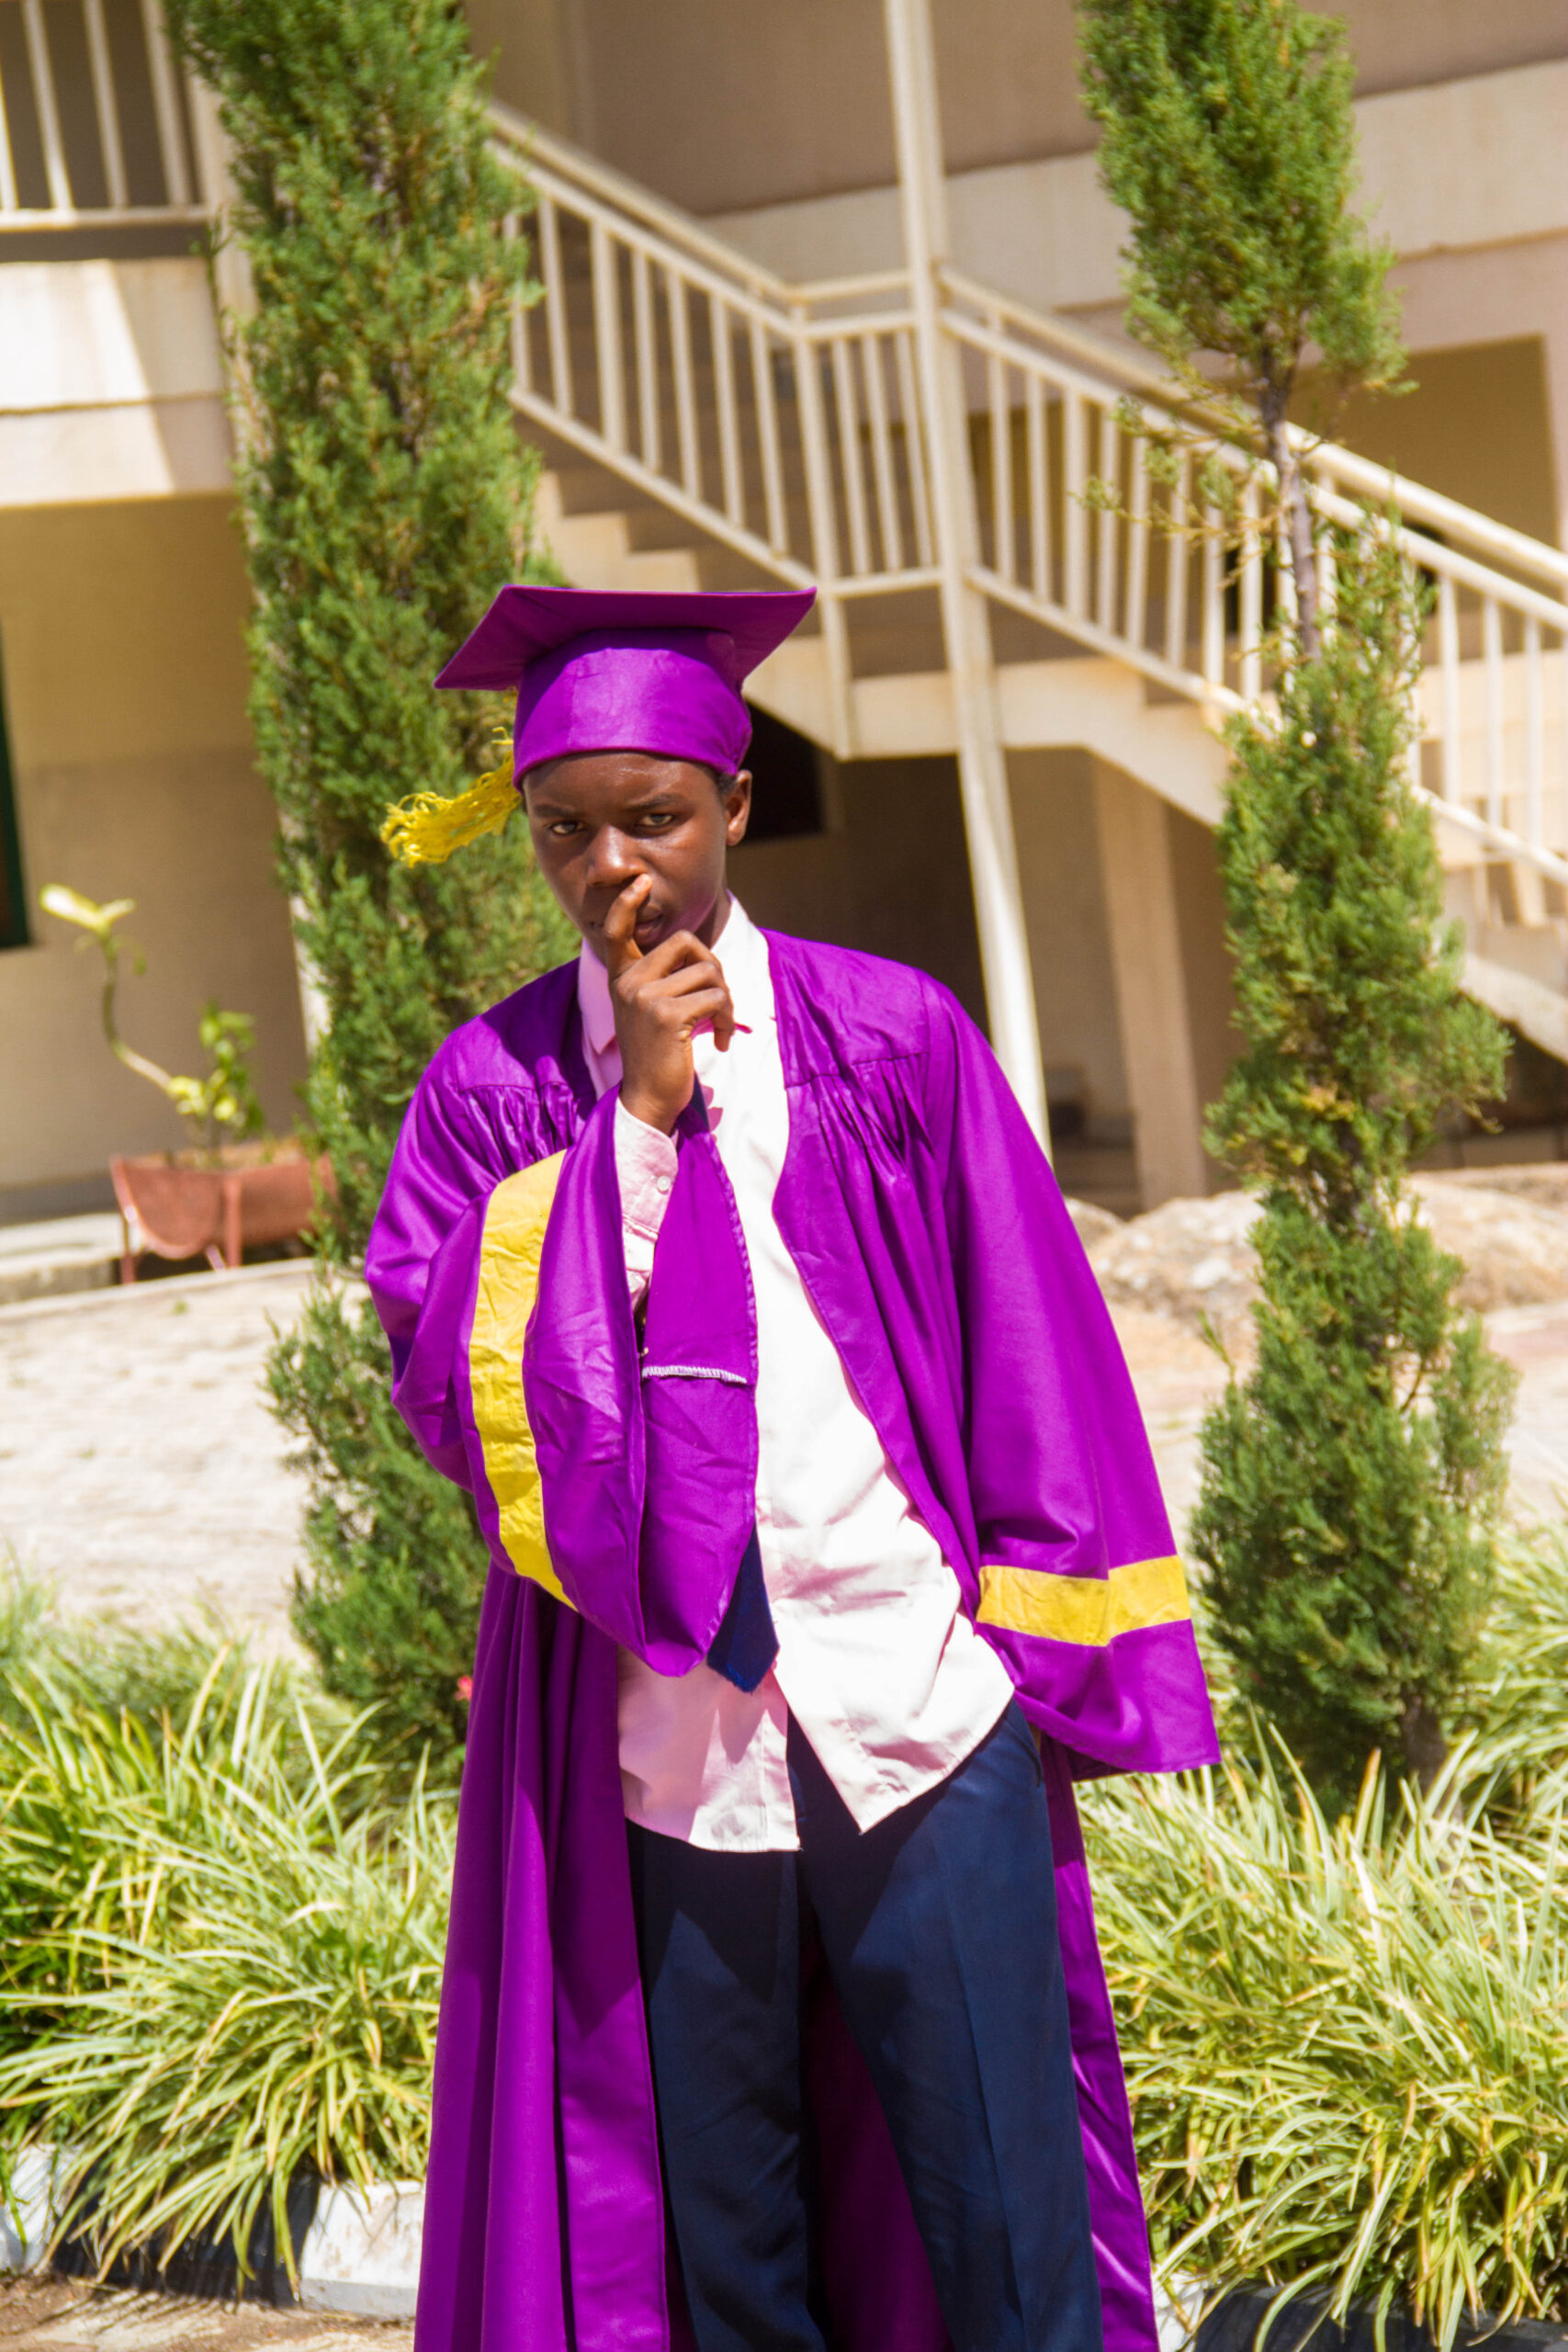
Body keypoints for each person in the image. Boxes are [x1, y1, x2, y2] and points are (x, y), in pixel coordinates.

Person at [367, 583, 1219, 2352]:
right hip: (665, 1758)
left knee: (1010, 2237)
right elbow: (454, 1391)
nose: (614, 867)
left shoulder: (891, 1037)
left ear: (737, 806)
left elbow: (1031, 1344)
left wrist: (1036, 1652)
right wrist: (636, 1124)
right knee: (728, 2268)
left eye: (654, 817)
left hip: (915, 1712)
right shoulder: (494, 1092)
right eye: (565, 829)